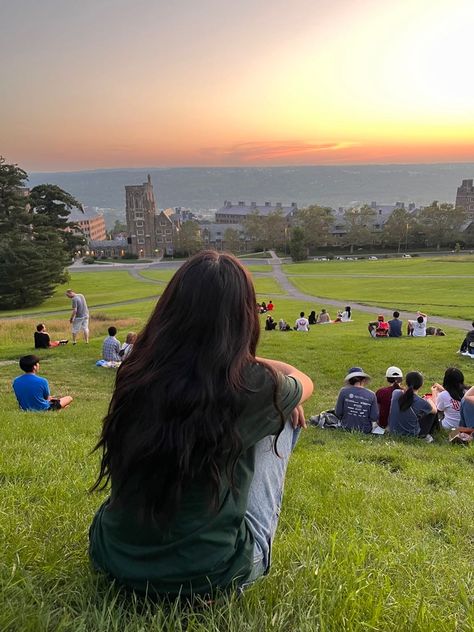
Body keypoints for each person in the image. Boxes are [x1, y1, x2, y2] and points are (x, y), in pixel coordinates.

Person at [89, 251, 314, 599]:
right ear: (242, 317)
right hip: (212, 574)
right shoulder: (252, 384)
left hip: (113, 557)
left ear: (170, 309)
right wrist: (274, 390)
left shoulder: (135, 371)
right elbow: (303, 379)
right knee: (285, 416)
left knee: (276, 406)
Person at [388, 371, 437, 440]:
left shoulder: (396, 393)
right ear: (421, 385)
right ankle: (425, 435)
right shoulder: (422, 402)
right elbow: (435, 410)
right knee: (431, 413)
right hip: (410, 435)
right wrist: (428, 399)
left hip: (392, 431)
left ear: (406, 382)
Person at [335, 367, 379, 433]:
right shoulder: (371, 395)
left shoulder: (343, 392)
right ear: (363, 380)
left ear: (349, 380)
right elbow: (374, 417)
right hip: (365, 430)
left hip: (346, 427)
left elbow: (338, 412)